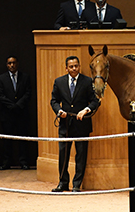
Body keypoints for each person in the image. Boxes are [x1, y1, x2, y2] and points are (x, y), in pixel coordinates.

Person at [50, 55, 100, 192]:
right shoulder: (59, 82)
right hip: (65, 125)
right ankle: (63, 183)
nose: (74, 68)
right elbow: (53, 101)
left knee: (81, 155)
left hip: (82, 125)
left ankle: (77, 184)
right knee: (63, 155)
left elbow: (95, 101)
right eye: (71, 66)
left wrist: (86, 110)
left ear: (79, 66)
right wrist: (59, 111)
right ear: (66, 68)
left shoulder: (87, 81)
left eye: (76, 66)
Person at [0, 56, 31, 169]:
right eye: (9, 63)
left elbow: (28, 93)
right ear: (7, 65)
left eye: (14, 63)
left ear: (17, 64)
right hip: (7, 114)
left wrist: (18, 105)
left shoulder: (25, 77)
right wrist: (11, 106)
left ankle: (23, 161)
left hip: (21, 113)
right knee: (7, 140)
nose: (12, 65)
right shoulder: (1, 79)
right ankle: (7, 162)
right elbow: (0, 95)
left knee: (22, 139)